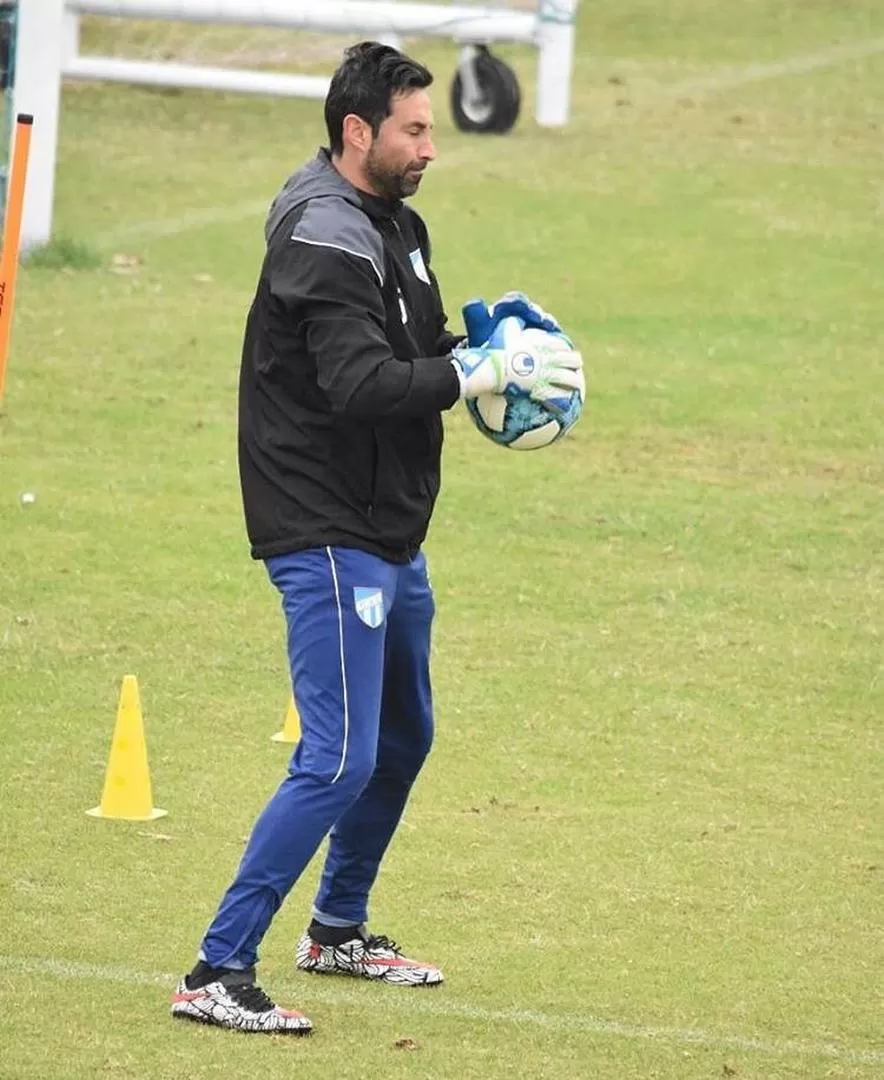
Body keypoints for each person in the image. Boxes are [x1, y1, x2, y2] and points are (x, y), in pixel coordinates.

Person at [171, 40, 583, 1035]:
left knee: (402, 735)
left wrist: (486, 350)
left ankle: (337, 930)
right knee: (337, 757)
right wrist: (472, 381)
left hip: (388, 526)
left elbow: (414, 348)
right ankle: (216, 969)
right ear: (356, 132)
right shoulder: (321, 234)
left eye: (428, 127)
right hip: (324, 524)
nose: (429, 145)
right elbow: (358, 384)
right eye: (412, 128)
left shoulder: (396, 224)